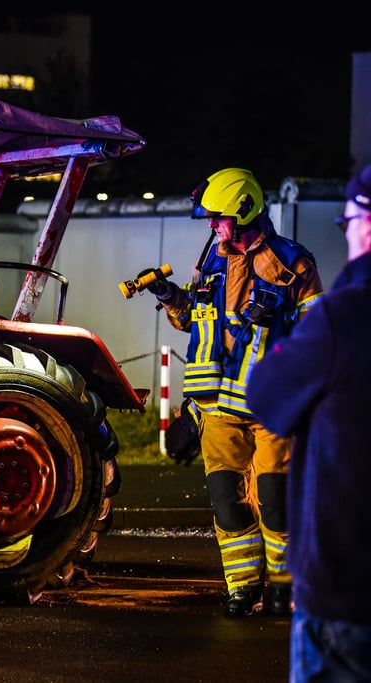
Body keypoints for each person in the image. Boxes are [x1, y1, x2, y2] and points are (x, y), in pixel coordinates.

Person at [137, 167, 324, 618]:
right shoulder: (214, 259)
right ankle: (242, 588)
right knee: (228, 504)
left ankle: (286, 588)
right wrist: (169, 297)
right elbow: (194, 320)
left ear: (243, 211)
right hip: (217, 410)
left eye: (217, 217)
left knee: (276, 504)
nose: (211, 225)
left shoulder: (293, 263)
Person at [247, 164, 371, 680]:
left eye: (349, 223)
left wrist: (279, 331)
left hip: (349, 593)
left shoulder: (344, 317)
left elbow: (268, 394)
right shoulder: (215, 261)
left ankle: (271, 585)